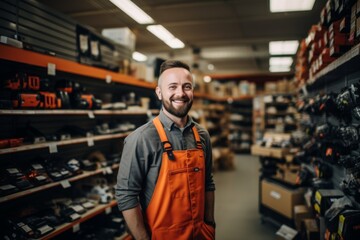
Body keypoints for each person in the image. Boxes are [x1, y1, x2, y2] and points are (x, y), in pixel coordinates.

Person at [115, 60, 216, 240]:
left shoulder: (202, 136)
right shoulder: (141, 139)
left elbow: (208, 183)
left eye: (187, 86)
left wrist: (209, 224)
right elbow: (126, 195)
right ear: (159, 92)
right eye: (172, 87)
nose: (180, 93)